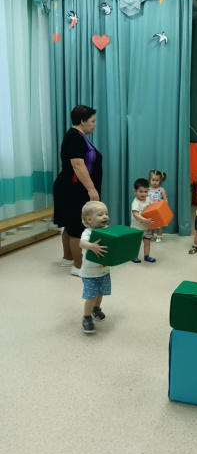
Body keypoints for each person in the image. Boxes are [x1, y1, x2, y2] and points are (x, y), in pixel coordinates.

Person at [53, 105, 103, 277]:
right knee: (77, 227)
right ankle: (78, 266)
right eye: (92, 121)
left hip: (70, 187)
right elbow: (78, 165)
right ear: (82, 121)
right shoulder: (75, 137)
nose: (94, 124)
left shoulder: (77, 136)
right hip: (73, 189)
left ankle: (68, 258)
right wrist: (91, 189)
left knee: (70, 225)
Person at [79, 201, 111, 334]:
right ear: (89, 219)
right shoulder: (88, 232)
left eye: (106, 214)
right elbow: (82, 243)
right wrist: (92, 246)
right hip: (90, 273)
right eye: (100, 214)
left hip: (104, 270)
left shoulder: (107, 230)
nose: (105, 216)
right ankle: (86, 317)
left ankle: (96, 309)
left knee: (100, 293)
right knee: (91, 296)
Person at [130, 178, 156, 263]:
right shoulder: (136, 202)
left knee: (147, 242)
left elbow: (152, 209)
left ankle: (147, 256)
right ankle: (134, 256)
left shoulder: (148, 200)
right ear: (135, 191)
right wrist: (146, 220)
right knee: (136, 243)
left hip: (146, 227)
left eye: (145, 191)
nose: (143, 194)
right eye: (140, 191)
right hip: (137, 228)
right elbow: (136, 214)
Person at [148, 169, 168, 242]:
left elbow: (165, 200)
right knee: (151, 224)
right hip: (150, 210)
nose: (154, 182)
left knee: (159, 225)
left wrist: (165, 208)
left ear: (160, 181)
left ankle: (159, 236)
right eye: (153, 180)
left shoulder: (161, 190)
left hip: (159, 211)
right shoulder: (148, 189)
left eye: (157, 180)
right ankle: (151, 235)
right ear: (149, 180)